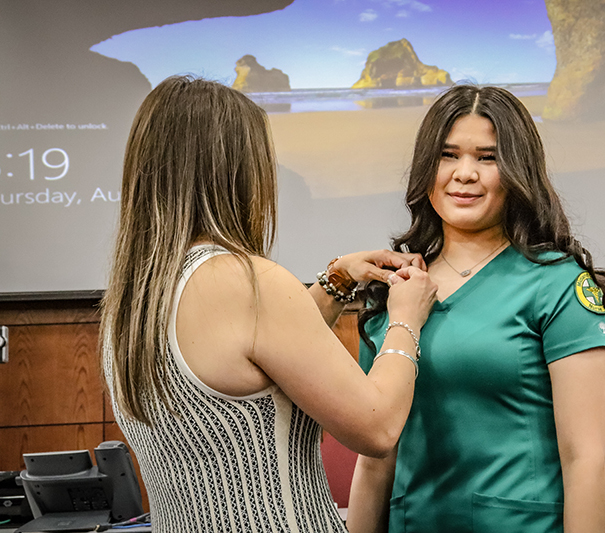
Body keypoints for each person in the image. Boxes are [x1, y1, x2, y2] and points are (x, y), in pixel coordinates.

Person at [100, 76, 438, 533]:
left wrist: (335, 283)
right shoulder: (247, 281)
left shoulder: (137, 295)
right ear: (239, 172)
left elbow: (253, 358)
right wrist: (406, 319)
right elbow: (376, 429)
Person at [347, 85, 605, 533]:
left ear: (518, 170)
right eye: (448, 155)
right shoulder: (396, 290)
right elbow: (375, 465)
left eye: (487, 158)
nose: (465, 174)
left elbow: (586, 461)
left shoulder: (556, 282)